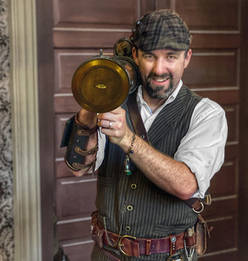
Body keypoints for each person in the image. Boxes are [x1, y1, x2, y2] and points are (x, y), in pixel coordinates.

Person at [63, 9, 227, 261]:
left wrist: (127, 139)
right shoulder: (114, 100)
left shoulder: (206, 113)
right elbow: (77, 168)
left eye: (170, 57)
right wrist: (89, 109)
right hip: (107, 255)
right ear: (136, 55)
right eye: (150, 56)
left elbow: (186, 185)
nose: (159, 69)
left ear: (187, 58)